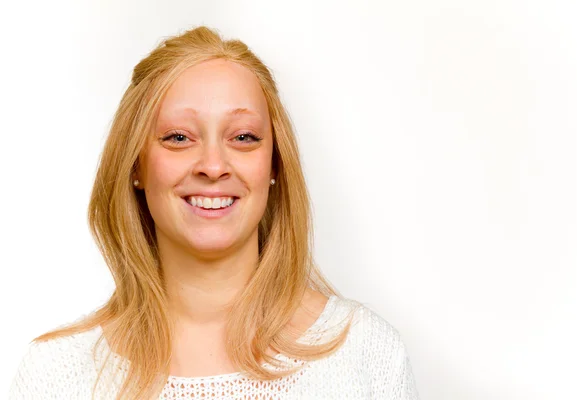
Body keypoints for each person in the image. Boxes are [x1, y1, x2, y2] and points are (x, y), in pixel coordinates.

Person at [8, 26, 419, 399]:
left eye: (243, 137)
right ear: (135, 165)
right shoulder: (55, 375)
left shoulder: (364, 353)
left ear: (274, 163)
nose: (213, 165)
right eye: (178, 137)